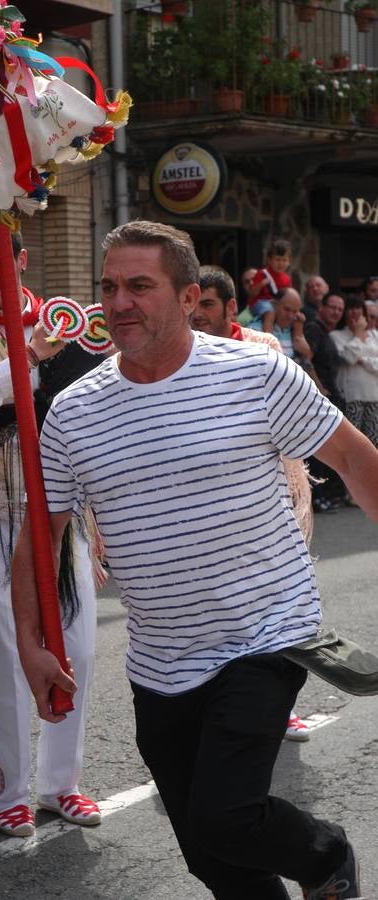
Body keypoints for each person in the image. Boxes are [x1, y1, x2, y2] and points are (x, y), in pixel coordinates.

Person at [12, 220, 378, 899]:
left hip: (266, 632)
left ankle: (327, 857)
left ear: (188, 297)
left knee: (227, 814)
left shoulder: (257, 373)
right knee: (213, 857)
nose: (120, 302)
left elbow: (356, 459)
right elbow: (42, 531)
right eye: (110, 287)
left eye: (140, 286)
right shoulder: (72, 413)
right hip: (161, 660)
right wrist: (31, 643)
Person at [0, 231, 101, 838]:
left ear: (21, 260)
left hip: (60, 512)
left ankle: (61, 785)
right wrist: (29, 356)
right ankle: (12, 792)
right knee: (8, 651)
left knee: (77, 647)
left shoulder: (64, 319)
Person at [192, 265, 311, 743]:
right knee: (215, 611)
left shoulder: (262, 347)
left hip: (270, 498)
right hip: (206, 507)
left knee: (276, 608)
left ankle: (279, 710)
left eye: (208, 305)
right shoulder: (177, 352)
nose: (198, 314)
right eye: (193, 304)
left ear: (229, 307)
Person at [304, 293, 347, 513]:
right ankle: (316, 498)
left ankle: (324, 495)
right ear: (322, 306)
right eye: (332, 307)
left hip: (328, 397)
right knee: (318, 451)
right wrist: (320, 390)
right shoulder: (313, 328)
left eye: (340, 310)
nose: (336, 313)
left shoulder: (325, 332)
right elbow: (306, 359)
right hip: (318, 399)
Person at [330, 294, 378, 449]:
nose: (355, 312)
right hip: (351, 398)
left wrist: (363, 360)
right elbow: (349, 358)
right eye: (351, 309)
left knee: (373, 444)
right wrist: (357, 334)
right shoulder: (336, 336)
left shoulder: (374, 335)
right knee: (352, 445)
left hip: (374, 398)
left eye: (358, 308)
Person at [247, 238, 292, 333]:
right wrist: (261, 284)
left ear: (289, 261)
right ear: (269, 260)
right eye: (277, 259)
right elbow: (252, 294)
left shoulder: (286, 279)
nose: (281, 263)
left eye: (284, 260)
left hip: (276, 304)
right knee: (270, 311)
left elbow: (288, 298)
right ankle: (269, 337)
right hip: (260, 303)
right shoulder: (262, 274)